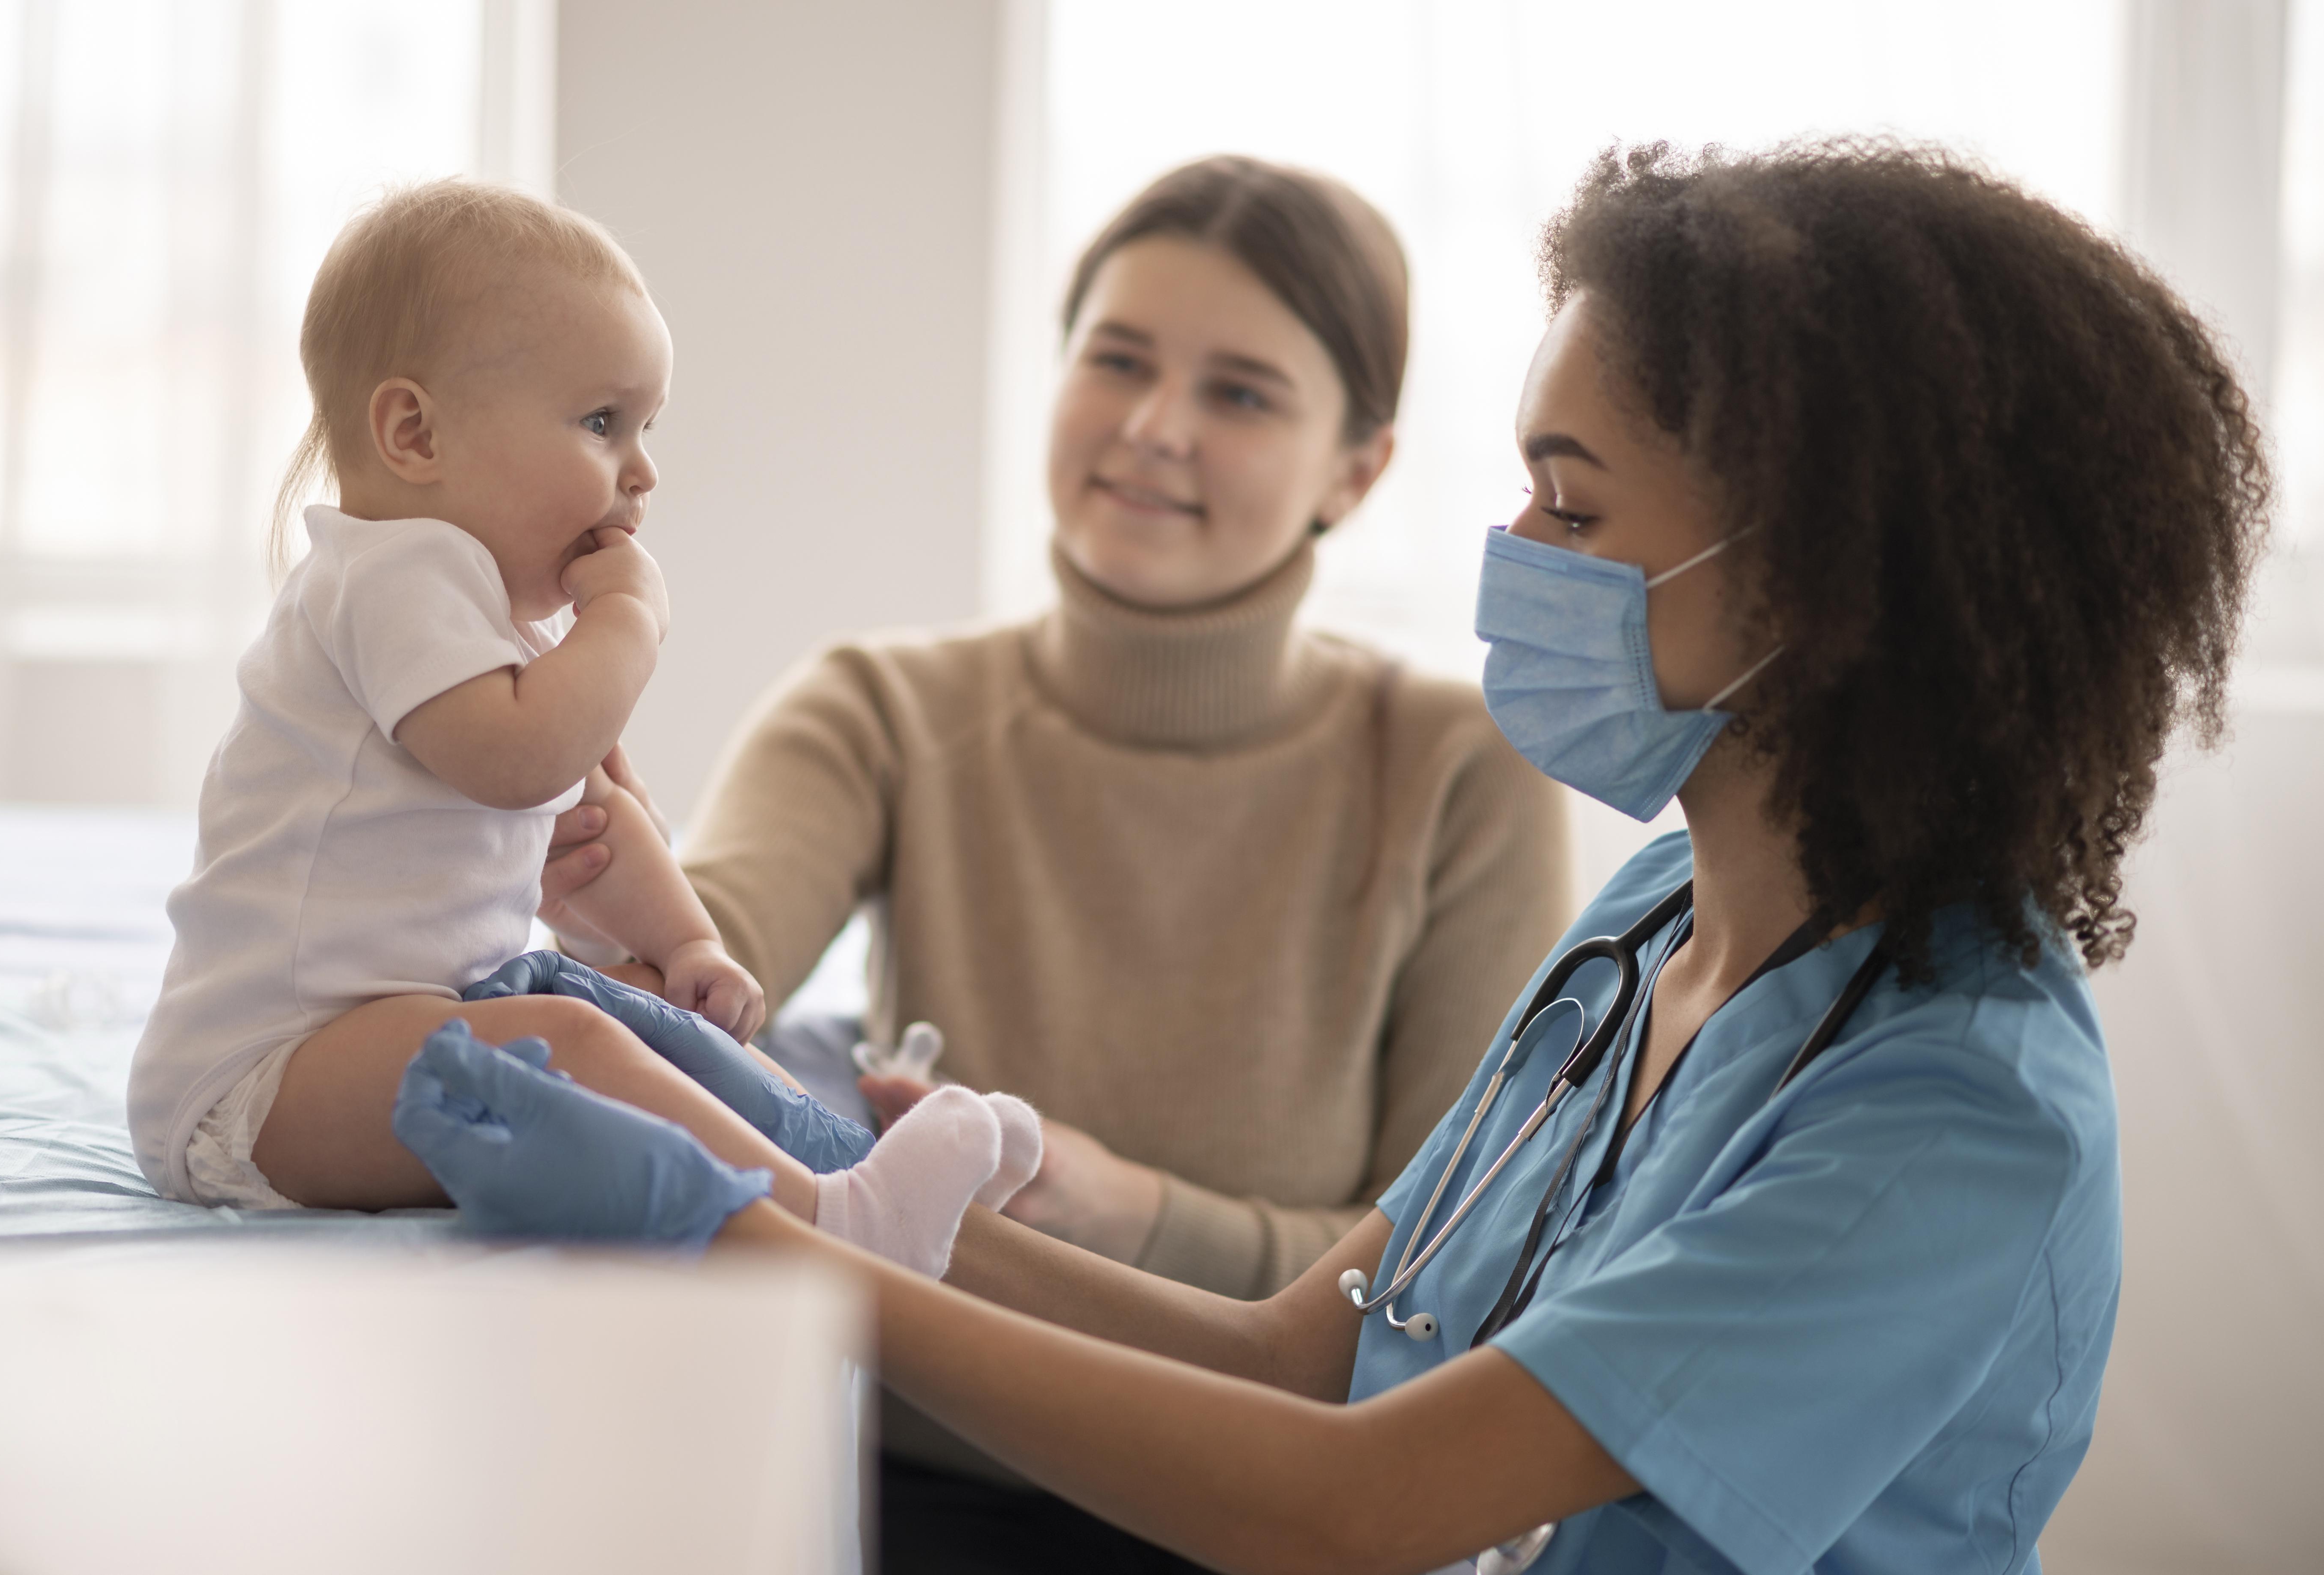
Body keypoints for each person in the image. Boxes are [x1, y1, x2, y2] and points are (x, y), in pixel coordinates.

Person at [405, 140, 2266, 1573]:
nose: (1515, 545)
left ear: (1817, 577)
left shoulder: (1950, 1113)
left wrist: (750, 1241)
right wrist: (802, 1153)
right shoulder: (1659, 924)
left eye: (1571, 499)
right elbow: (1314, 1344)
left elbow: (1353, 1500)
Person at [534, 156, 1575, 1557]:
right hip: (906, 1481)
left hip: (1258, 1512)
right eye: (1118, 360)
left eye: (1240, 393)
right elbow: (694, 967)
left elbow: (1441, 1282)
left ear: (1359, 467)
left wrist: (1124, 1207)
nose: (1152, 428)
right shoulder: (884, 706)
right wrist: (606, 883)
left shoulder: (1462, 771)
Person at [127, 179, 1032, 1283]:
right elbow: (523, 765)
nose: (642, 471)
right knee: (577, 1043)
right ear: (414, 432)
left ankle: (859, 1166)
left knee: (636, 1021)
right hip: (262, 1086)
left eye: (646, 428)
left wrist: (688, 940)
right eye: (603, 424)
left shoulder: (494, 626)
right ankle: (840, 1219)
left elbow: (590, 814)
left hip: (403, 1030)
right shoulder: (385, 578)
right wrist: (630, 623)